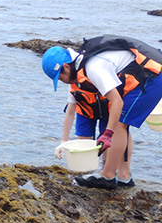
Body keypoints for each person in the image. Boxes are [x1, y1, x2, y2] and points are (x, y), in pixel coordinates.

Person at [42, 35, 162, 189]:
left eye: (61, 78)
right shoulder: (83, 67)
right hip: (149, 75)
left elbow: (117, 102)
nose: (64, 82)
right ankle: (124, 177)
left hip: (153, 76)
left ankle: (107, 176)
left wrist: (108, 133)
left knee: (120, 124)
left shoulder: (93, 68)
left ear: (66, 66)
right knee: (122, 126)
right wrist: (64, 141)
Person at [53, 82, 109, 159]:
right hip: (85, 110)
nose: (63, 81)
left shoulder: (96, 75)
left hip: (107, 107)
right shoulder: (73, 83)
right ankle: (86, 168)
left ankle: (105, 167)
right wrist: (64, 141)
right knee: (83, 143)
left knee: (106, 141)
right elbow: (70, 112)